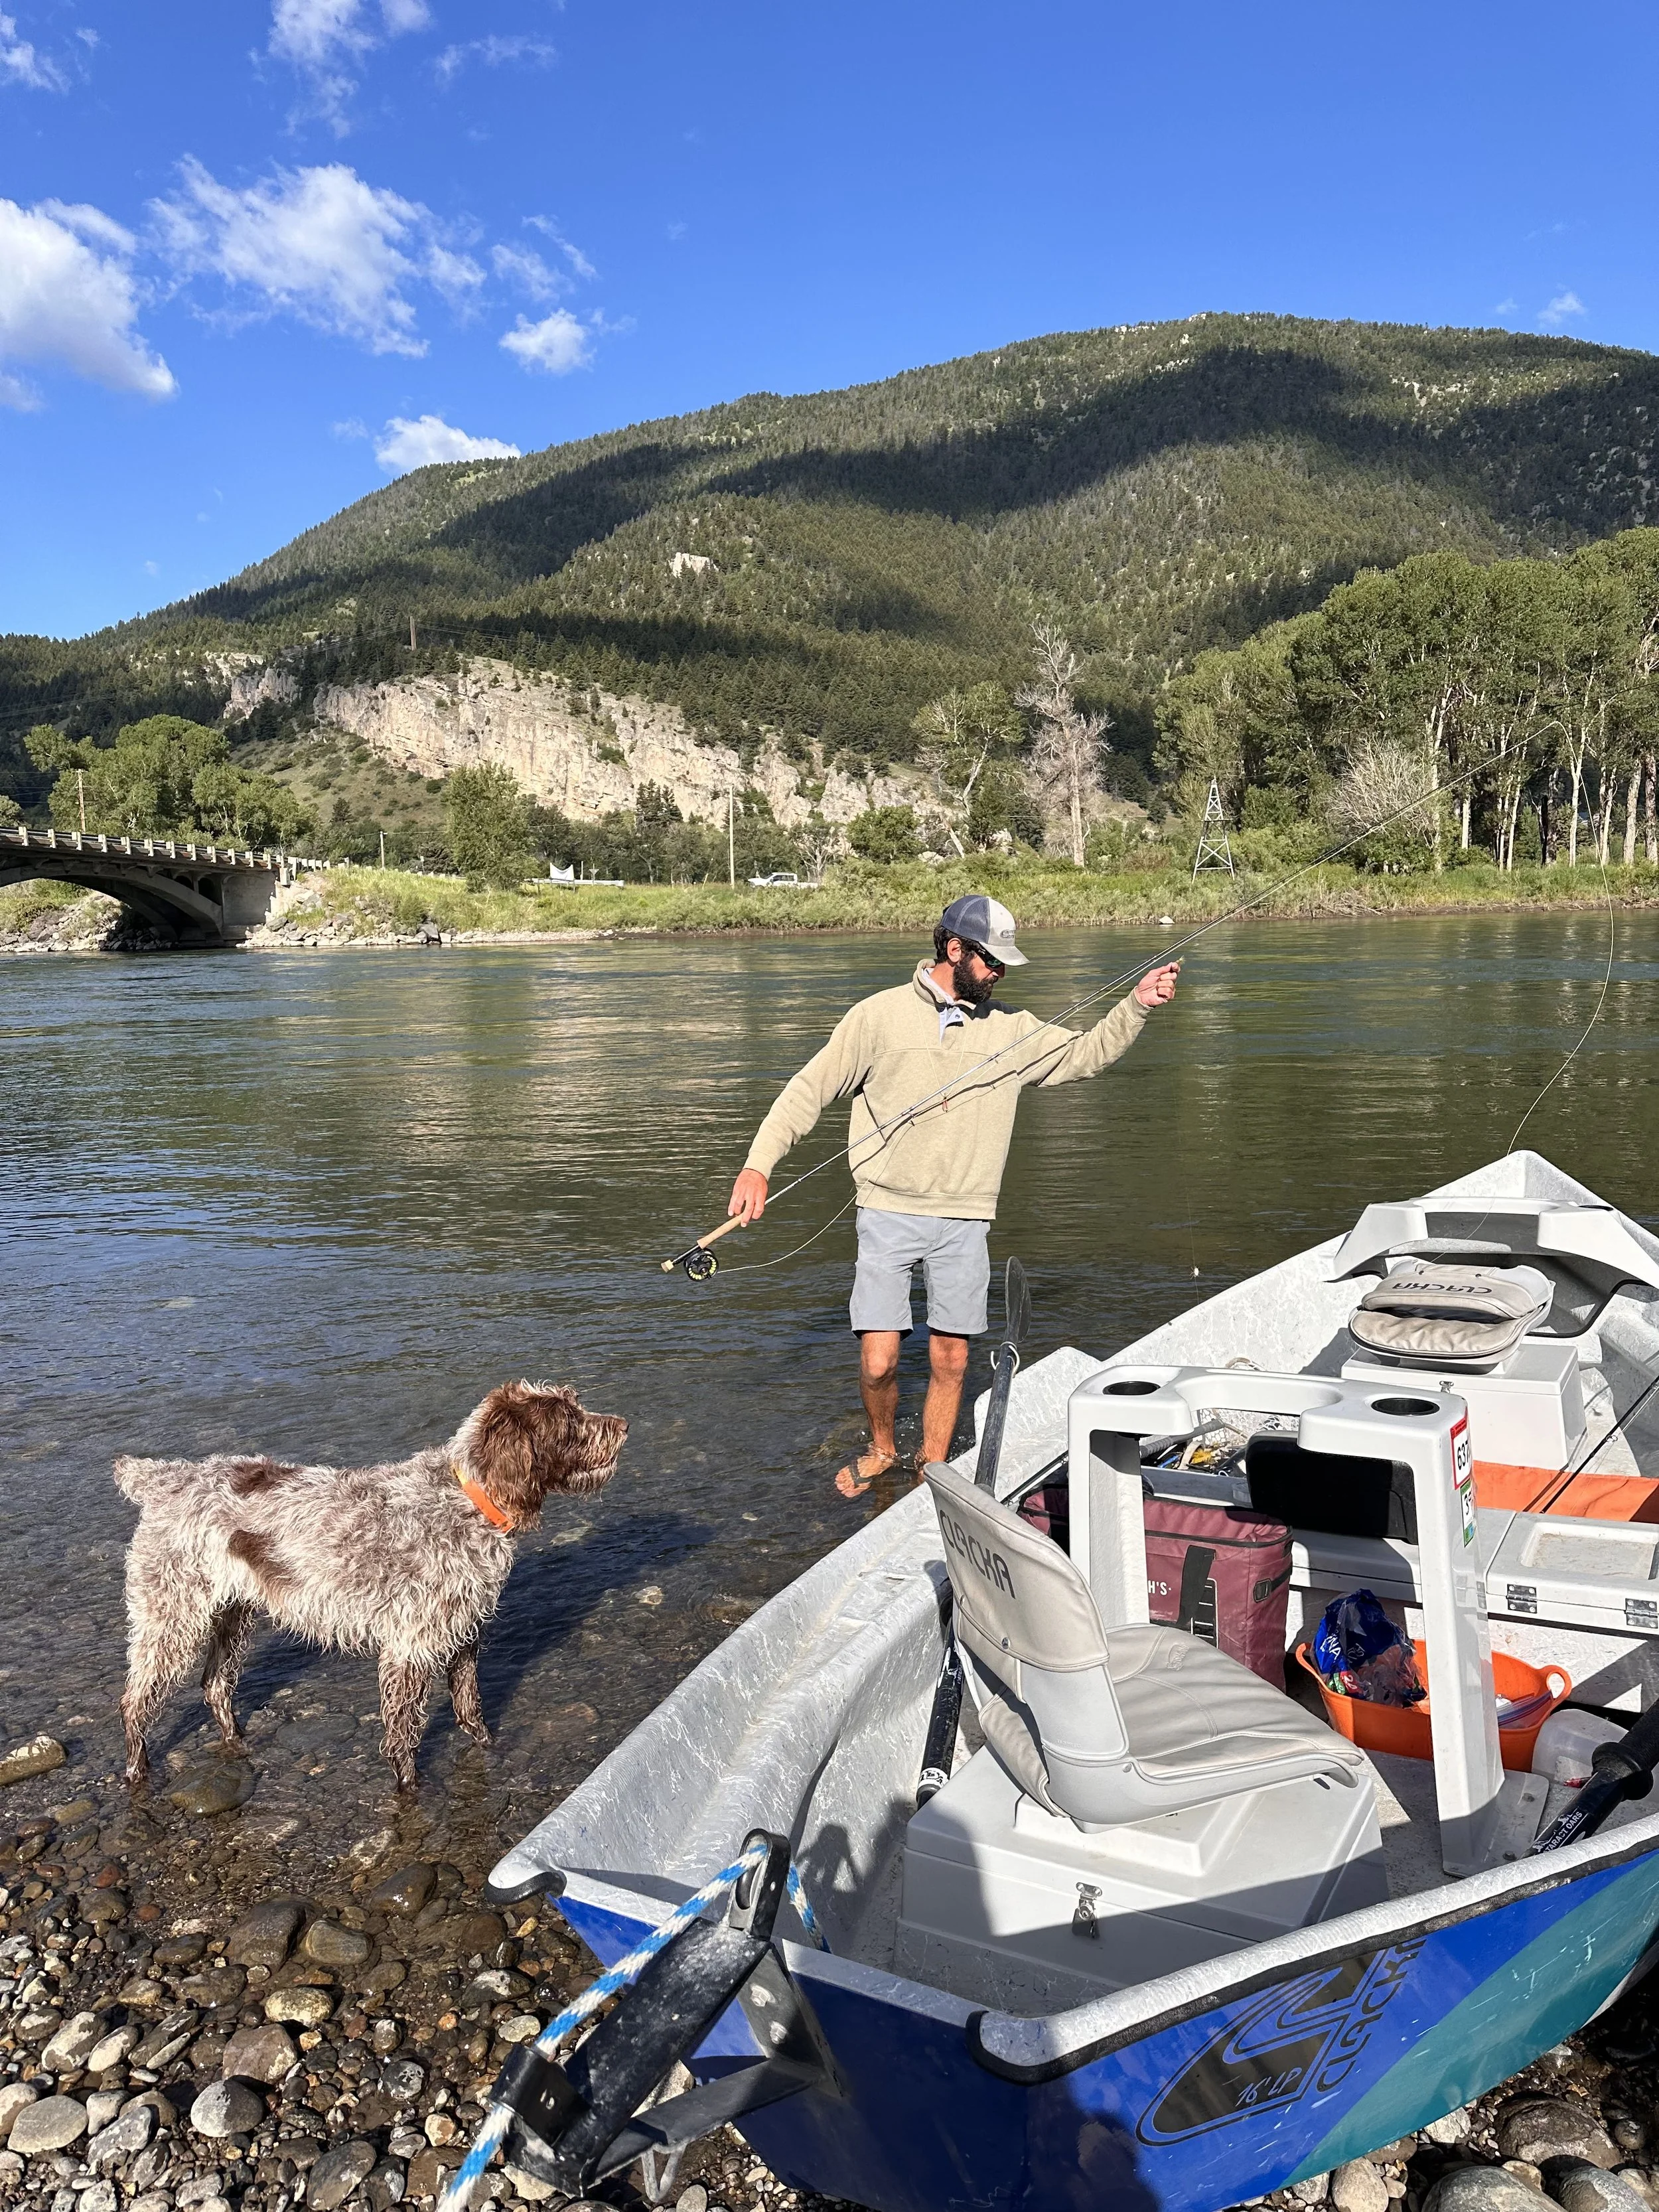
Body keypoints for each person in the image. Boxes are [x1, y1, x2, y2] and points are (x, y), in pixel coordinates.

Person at [728, 893, 1180, 1495]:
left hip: (965, 1218)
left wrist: (1137, 1005)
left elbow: (1086, 1053)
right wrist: (758, 1166)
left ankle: (931, 1468)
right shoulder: (876, 1017)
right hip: (886, 1211)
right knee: (879, 1361)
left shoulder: (1012, 1028)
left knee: (951, 1359)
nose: (999, 974)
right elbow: (806, 1091)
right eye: (991, 961)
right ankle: (883, 1448)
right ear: (955, 948)